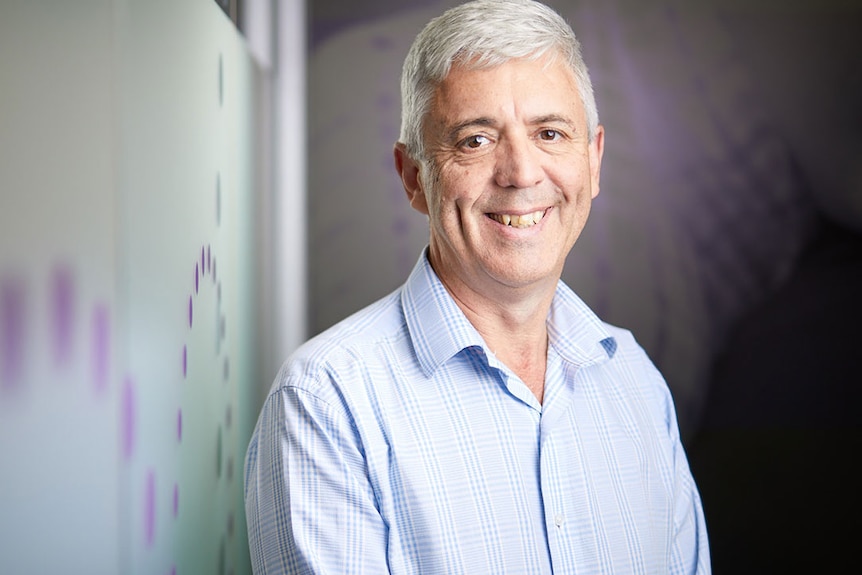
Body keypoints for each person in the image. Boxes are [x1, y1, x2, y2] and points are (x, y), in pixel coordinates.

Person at [244, 0, 710, 573]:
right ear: (414, 177)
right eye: (475, 140)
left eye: (550, 133)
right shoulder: (328, 402)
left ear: (593, 162)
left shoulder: (633, 381)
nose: (520, 172)